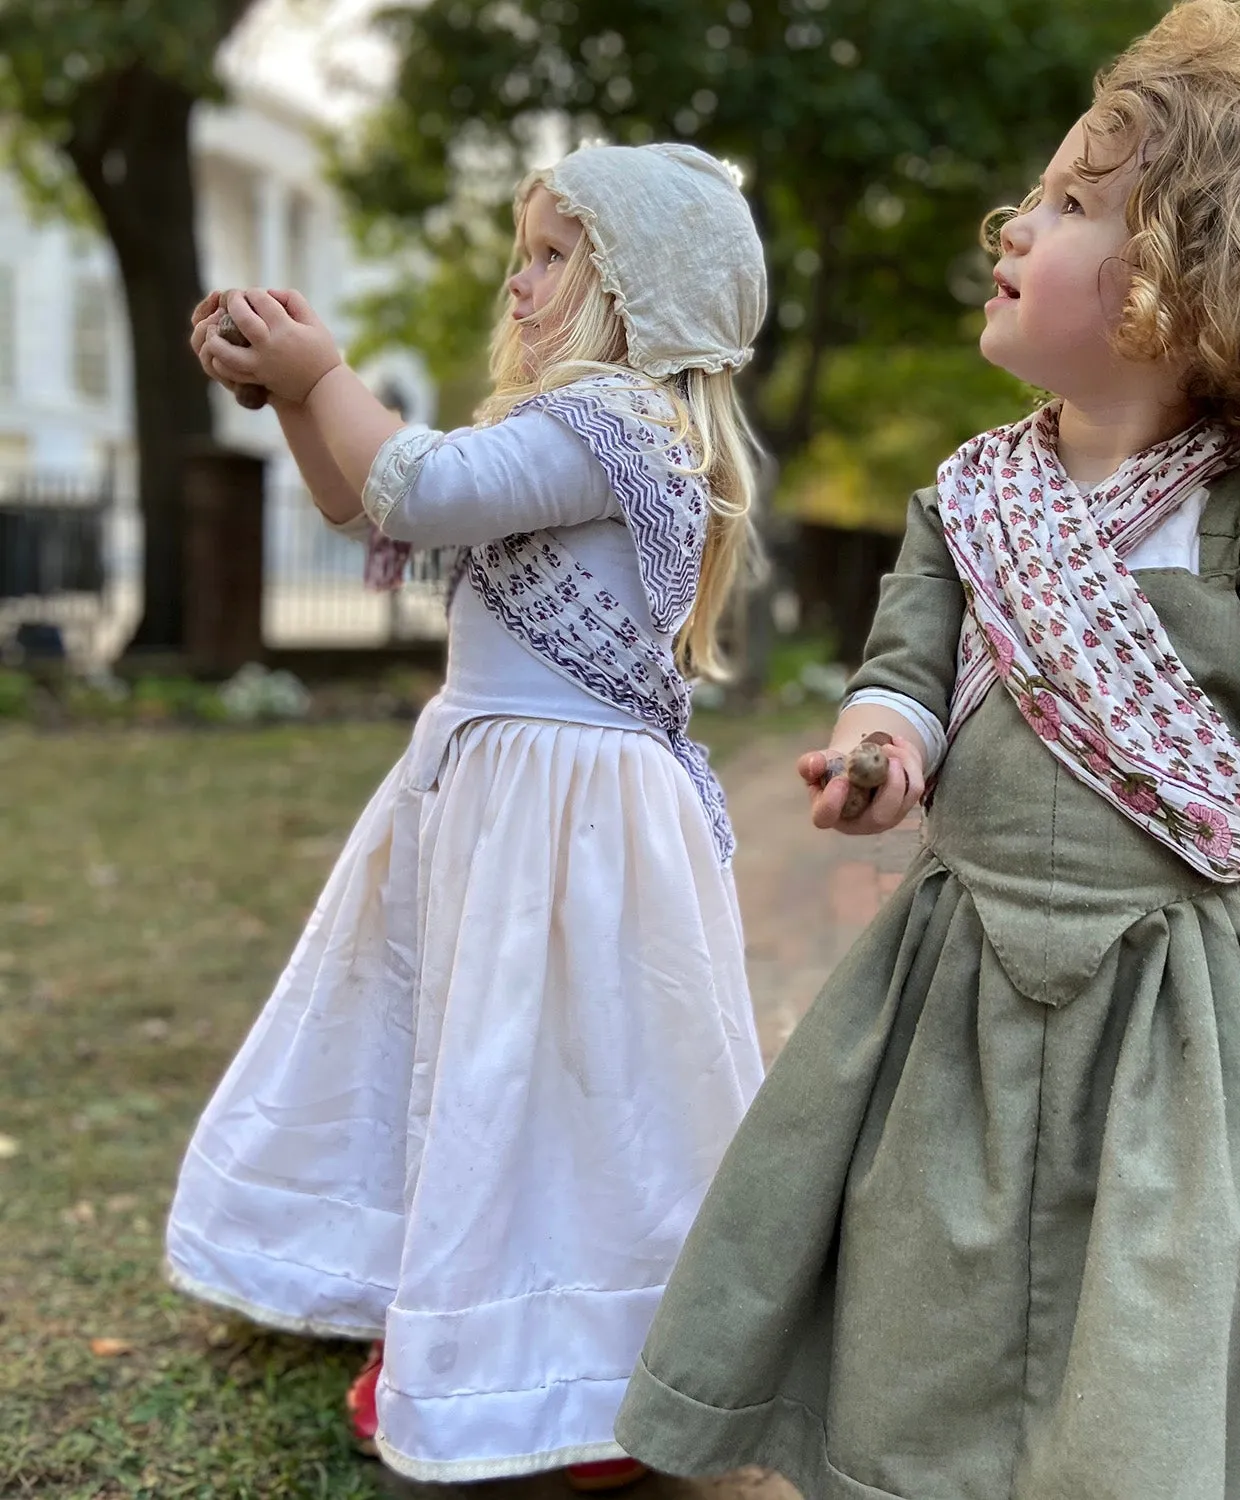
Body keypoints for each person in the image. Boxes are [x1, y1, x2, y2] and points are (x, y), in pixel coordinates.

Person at [613, 6, 1240, 1497]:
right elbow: (904, 673)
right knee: (925, 1274)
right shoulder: (967, 501)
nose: (1018, 223)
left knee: (1152, 1294)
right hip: (959, 980)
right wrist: (879, 750)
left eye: (1077, 204)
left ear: (1191, 279)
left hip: (1181, 1002)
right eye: (1040, 194)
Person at [165, 141, 769, 1491]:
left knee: (561, 1076)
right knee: (463, 1056)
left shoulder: (614, 428)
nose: (519, 276)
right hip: (491, 799)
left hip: (573, 820)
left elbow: (421, 488)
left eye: (556, 253)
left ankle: (583, 1358)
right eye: (525, 248)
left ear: (641, 291)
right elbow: (362, 495)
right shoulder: (549, 430)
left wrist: (327, 374)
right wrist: (287, 396)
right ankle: (456, 1310)